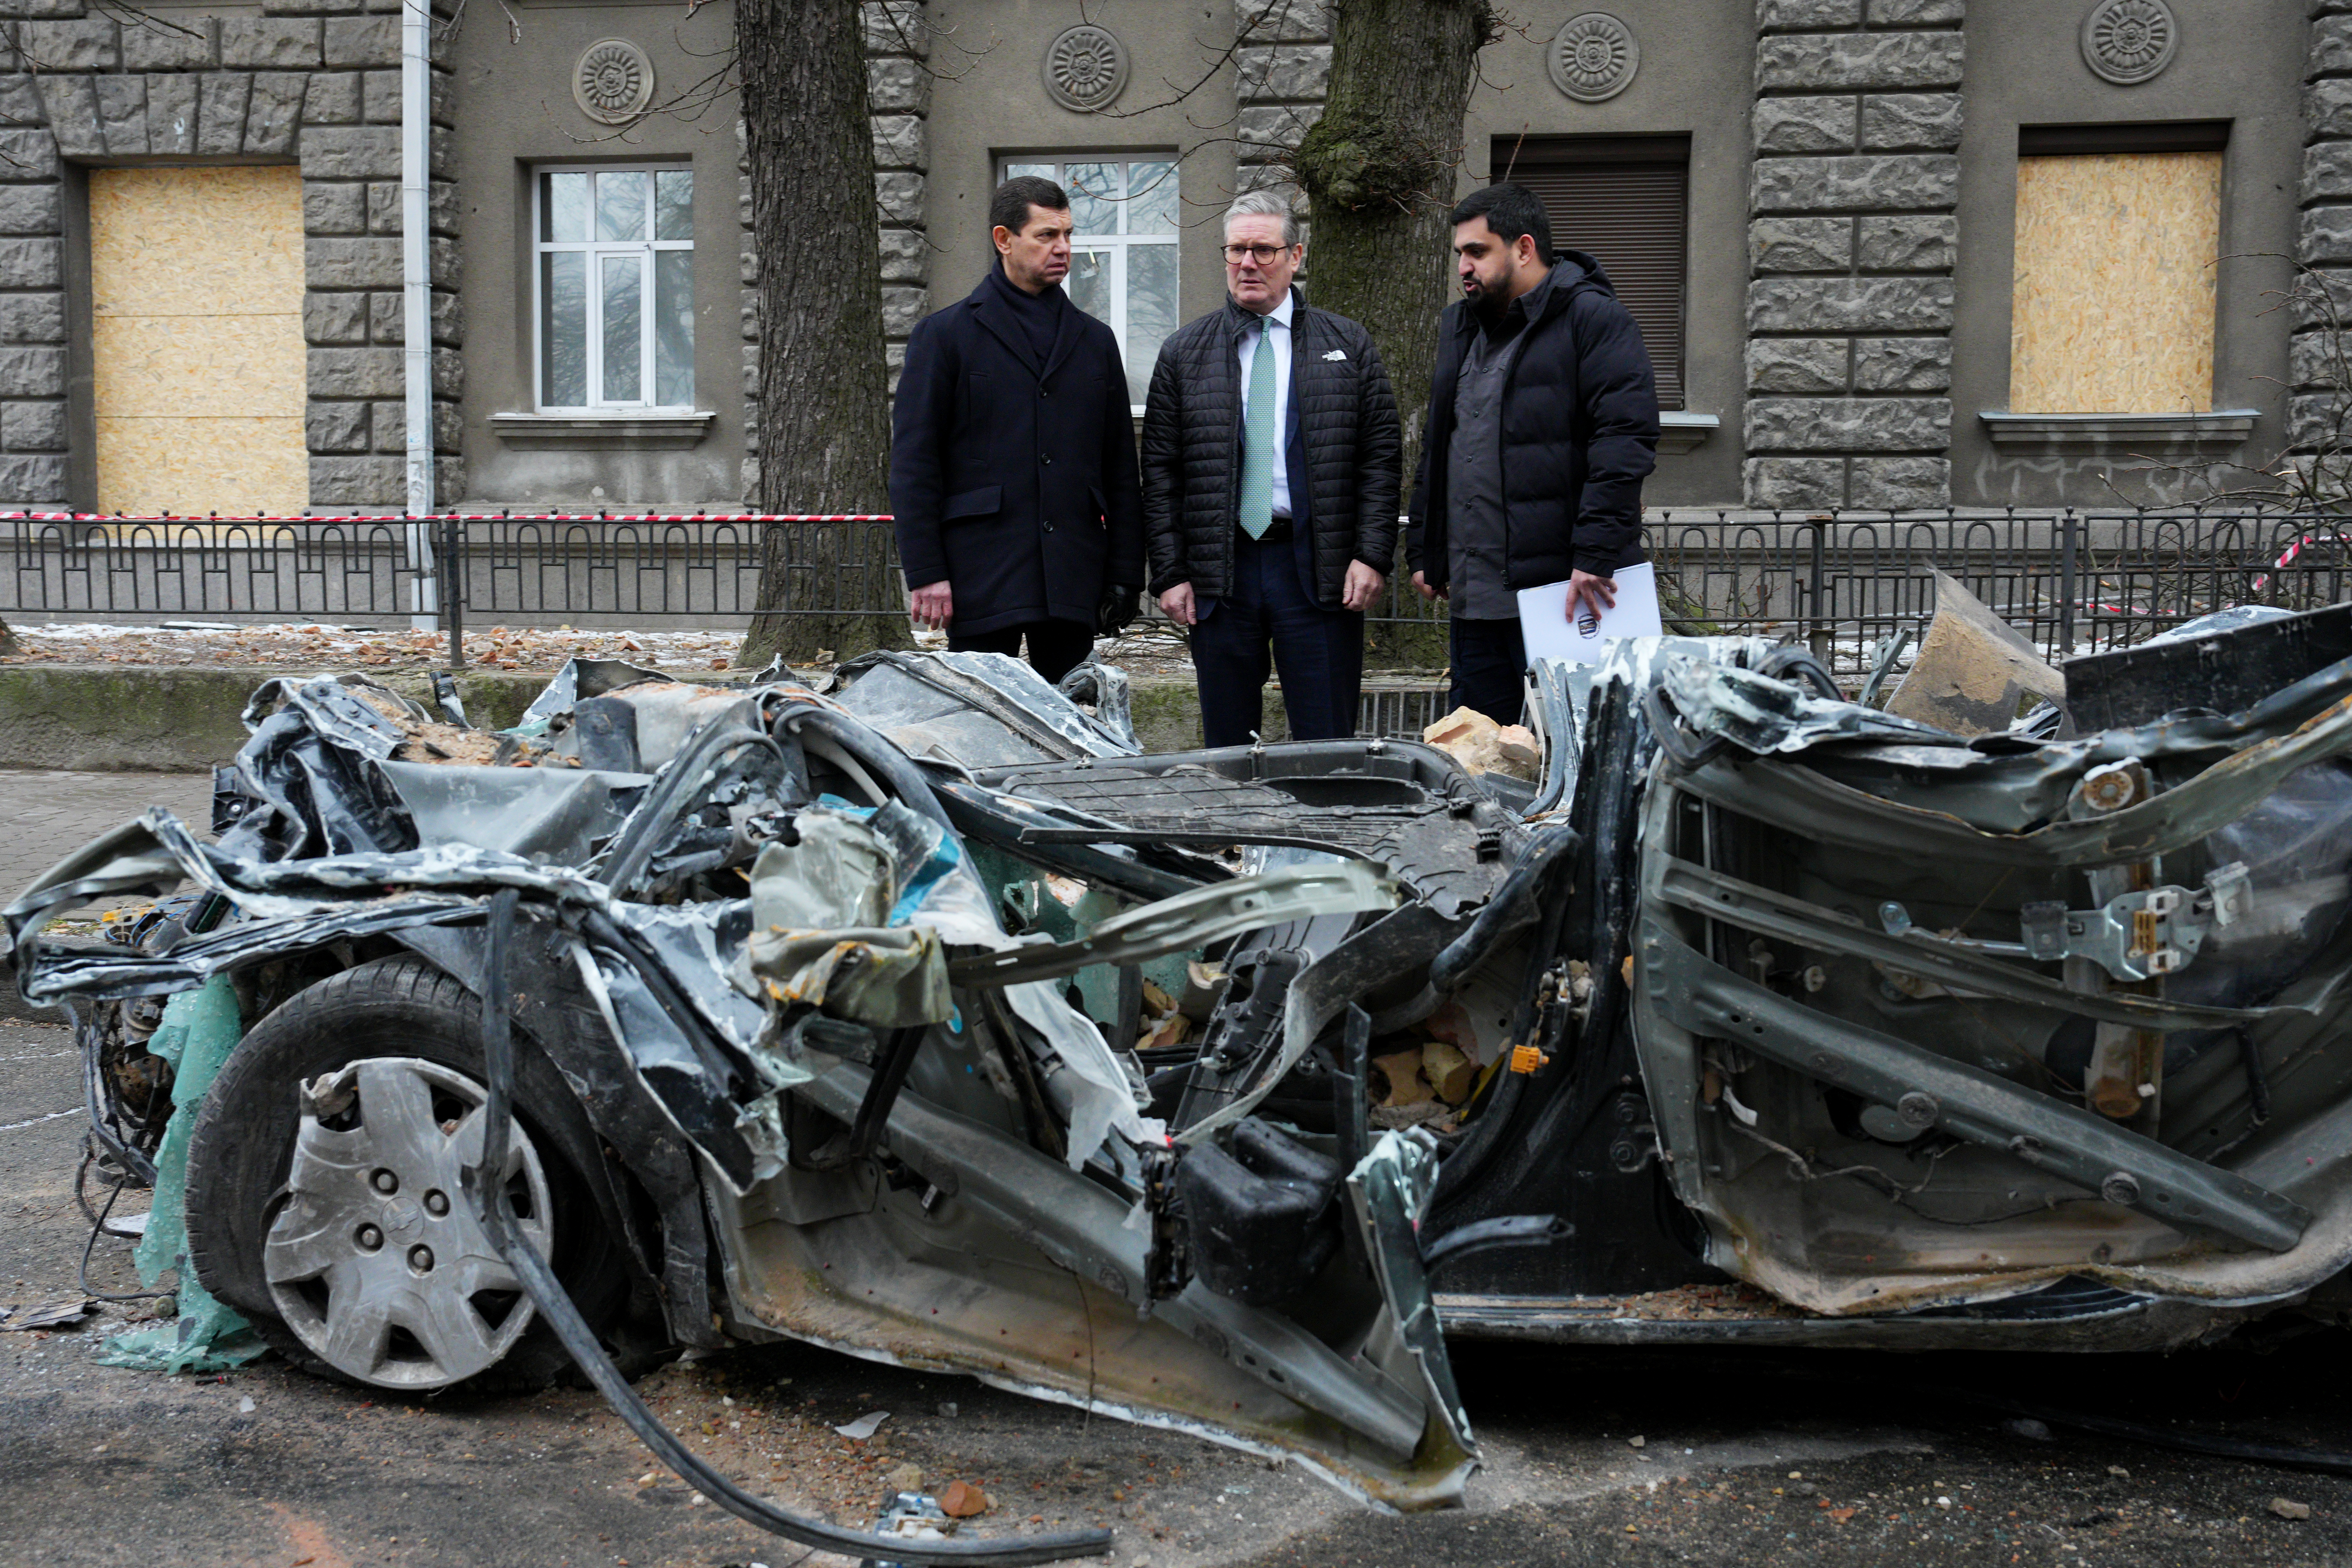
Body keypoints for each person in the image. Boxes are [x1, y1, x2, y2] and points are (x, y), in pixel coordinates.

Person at [1142, 191, 1401, 748]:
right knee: (1229, 745)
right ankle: (1237, 837)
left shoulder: (1348, 345)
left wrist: (1371, 554)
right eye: (1236, 250)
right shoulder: (1184, 352)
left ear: (1295, 256)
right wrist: (1169, 571)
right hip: (1220, 572)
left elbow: (1379, 457)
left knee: (1327, 741)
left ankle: (1325, 830)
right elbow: (1160, 473)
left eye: (1263, 249)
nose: (1247, 264)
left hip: (1318, 569)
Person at [1406, 182, 1661, 724]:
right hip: (1476, 601)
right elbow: (1442, 445)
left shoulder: (1594, 320)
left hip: (1565, 597)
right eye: (1459, 255)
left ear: (1523, 249)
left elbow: (1624, 440)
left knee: (1579, 756)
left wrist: (1595, 554)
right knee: (1481, 762)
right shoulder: (1460, 328)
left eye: (1477, 252)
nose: (1463, 268)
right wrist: (1425, 550)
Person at [890, 175, 1146, 684]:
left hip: (1072, 576)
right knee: (981, 728)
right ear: (1004, 239)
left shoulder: (1094, 341)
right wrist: (926, 573)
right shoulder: (945, 336)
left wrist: (1123, 575)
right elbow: (915, 464)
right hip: (980, 574)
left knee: (1073, 732)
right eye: (1047, 235)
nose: (1063, 248)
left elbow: (1119, 466)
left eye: (1069, 235)